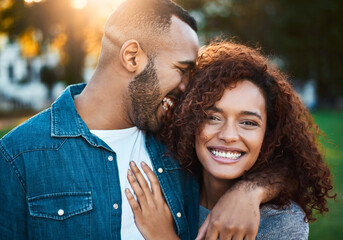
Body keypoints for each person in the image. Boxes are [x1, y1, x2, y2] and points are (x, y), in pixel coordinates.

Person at [0, 1, 286, 239]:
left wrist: (249, 193)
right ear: (132, 56)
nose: (189, 87)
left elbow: (285, 162)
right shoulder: (18, 156)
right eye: (181, 69)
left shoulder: (177, 137)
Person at [125, 41, 336, 239]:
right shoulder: (163, 187)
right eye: (213, 118)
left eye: (248, 123)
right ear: (189, 121)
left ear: (268, 135)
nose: (228, 135)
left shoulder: (281, 221)